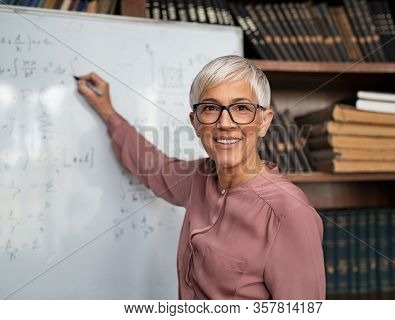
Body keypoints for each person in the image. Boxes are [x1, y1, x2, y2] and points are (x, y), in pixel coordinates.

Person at [76, 55, 325, 299]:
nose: (225, 123)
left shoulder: (290, 214)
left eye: (241, 108)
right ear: (195, 122)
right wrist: (108, 112)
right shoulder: (198, 178)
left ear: (264, 122)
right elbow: (153, 166)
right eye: (210, 108)